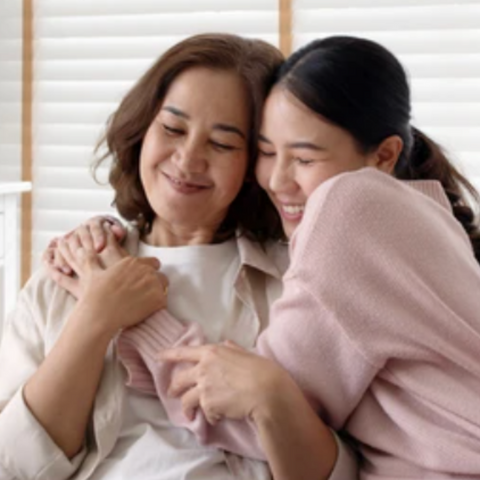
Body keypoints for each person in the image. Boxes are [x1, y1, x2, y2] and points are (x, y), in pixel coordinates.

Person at [56, 36, 480, 479]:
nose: (276, 180)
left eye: (304, 157)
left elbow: (251, 418)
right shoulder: (425, 215)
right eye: (267, 152)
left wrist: (129, 311)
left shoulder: (348, 207)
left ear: (385, 155)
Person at [0, 34, 357, 480]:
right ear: (142, 129)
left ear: (255, 165)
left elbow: (343, 469)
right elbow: (15, 464)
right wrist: (96, 315)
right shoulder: (74, 266)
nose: (187, 160)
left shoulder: (298, 282)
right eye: (172, 129)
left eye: (222, 144)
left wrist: (271, 396)